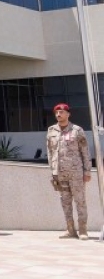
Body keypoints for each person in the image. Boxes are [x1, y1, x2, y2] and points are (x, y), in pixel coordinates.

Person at [46, 103, 93, 240]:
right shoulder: (51, 130)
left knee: (80, 201)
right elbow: (50, 152)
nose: (58, 115)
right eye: (56, 112)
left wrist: (87, 171)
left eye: (61, 112)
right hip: (60, 173)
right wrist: (52, 170)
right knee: (65, 202)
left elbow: (85, 151)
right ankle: (70, 229)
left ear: (68, 114)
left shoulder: (77, 130)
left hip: (76, 172)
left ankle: (83, 230)